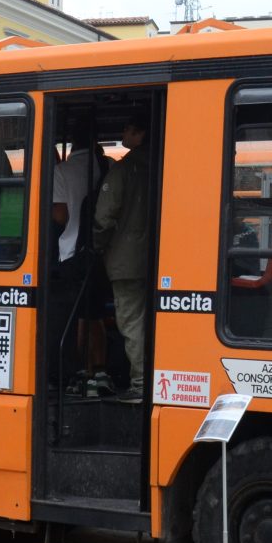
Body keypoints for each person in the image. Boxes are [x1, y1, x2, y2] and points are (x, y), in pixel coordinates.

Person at [94, 113, 153, 402]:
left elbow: (104, 218)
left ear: (139, 133)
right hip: (159, 260)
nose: (122, 134)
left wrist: (98, 246)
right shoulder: (166, 165)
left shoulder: (123, 170)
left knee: (131, 321)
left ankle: (142, 384)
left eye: (127, 129)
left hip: (127, 262)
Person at [51, 130, 113, 397]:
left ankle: (81, 373)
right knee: (96, 315)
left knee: (75, 317)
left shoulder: (62, 171)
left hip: (72, 254)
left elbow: (60, 215)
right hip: (103, 253)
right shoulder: (108, 165)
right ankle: (99, 371)